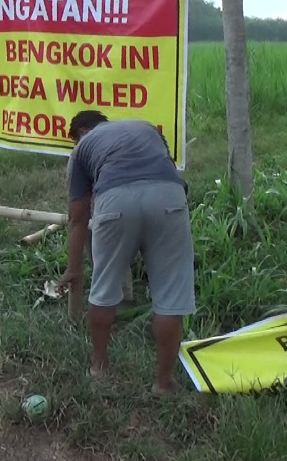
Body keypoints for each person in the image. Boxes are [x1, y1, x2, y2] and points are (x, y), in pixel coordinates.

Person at [56, 110, 194, 395]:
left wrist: (74, 269)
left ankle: (99, 369)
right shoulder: (146, 127)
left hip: (116, 200)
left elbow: (78, 218)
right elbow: (166, 168)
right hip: (169, 196)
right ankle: (164, 383)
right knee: (170, 297)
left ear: (82, 131)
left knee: (104, 288)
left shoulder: (83, 147)